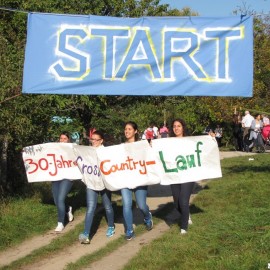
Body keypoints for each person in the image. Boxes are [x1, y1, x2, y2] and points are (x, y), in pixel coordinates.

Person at [79, 130, 115, 244]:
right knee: (90, 208)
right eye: (92, 139)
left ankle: (111, 226)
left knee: (107, 206)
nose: (93, 141)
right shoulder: (87, 151)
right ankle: (86, 233)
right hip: (91, 182)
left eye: (96, 139)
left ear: (101, 140)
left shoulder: (107, 151)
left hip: (104, 183)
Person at [121, 121, 153, 240]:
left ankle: (147, 217)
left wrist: (151, 146)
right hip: (125, 180)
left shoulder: (142, 145)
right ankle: (129, 231)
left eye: (129, 129)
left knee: (141, 205)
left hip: (140, 179)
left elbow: (150, 155)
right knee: (126, 205)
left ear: (135, 131)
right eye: (125, 129)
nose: (127, 131)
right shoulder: (120, 147)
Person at [170, 118, 194, 234]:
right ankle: (186, 214)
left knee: (183, 201)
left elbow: (203, 146)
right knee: (177, 204)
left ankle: (183, 227)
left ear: (183, 127)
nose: (176, 128)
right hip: (174, 176)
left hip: (188, 175)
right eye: (174, 126)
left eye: (178, 126)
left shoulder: (190, 141)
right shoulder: (168, 142)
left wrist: (211, 137)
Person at [52, 132, 74, 232]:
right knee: (56, 200)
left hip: (68, 177)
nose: (62, 140)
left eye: (65, 138)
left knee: (60, 199)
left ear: (68, 140)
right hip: (56, 176)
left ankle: (60, 223)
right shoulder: (54, 148)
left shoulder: (73, 148)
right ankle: (68, 208)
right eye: (61, 138)